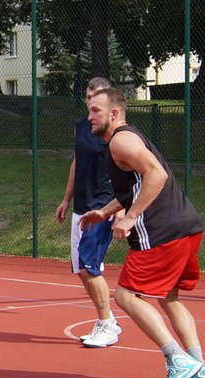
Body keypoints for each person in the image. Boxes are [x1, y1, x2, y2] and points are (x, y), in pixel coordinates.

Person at [80, 87, 205, 378]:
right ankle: (199, 365)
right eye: (89, 110)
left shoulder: (121, 140)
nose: (89, 117)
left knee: (126, 296)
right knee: (170, 298)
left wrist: (129, 217)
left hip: (160, 231)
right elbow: (136, 185)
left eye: (96, 110)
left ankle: (176, 359)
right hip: (186, 225)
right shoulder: (126, 139)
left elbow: (157, 175)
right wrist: (107, 211)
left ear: (114, 113)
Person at [55, 77, 121, 348]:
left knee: (89, 266)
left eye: (95, 95)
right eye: (87, 94)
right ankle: (107, 321)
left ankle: (107, 324)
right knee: (82, 269)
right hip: (81, 207)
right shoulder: (82, 126)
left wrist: (120, 206)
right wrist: (66, 198)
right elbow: (76, 161)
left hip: (101, 207)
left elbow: (124, 168)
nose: (90, 99)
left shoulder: (113, 131)